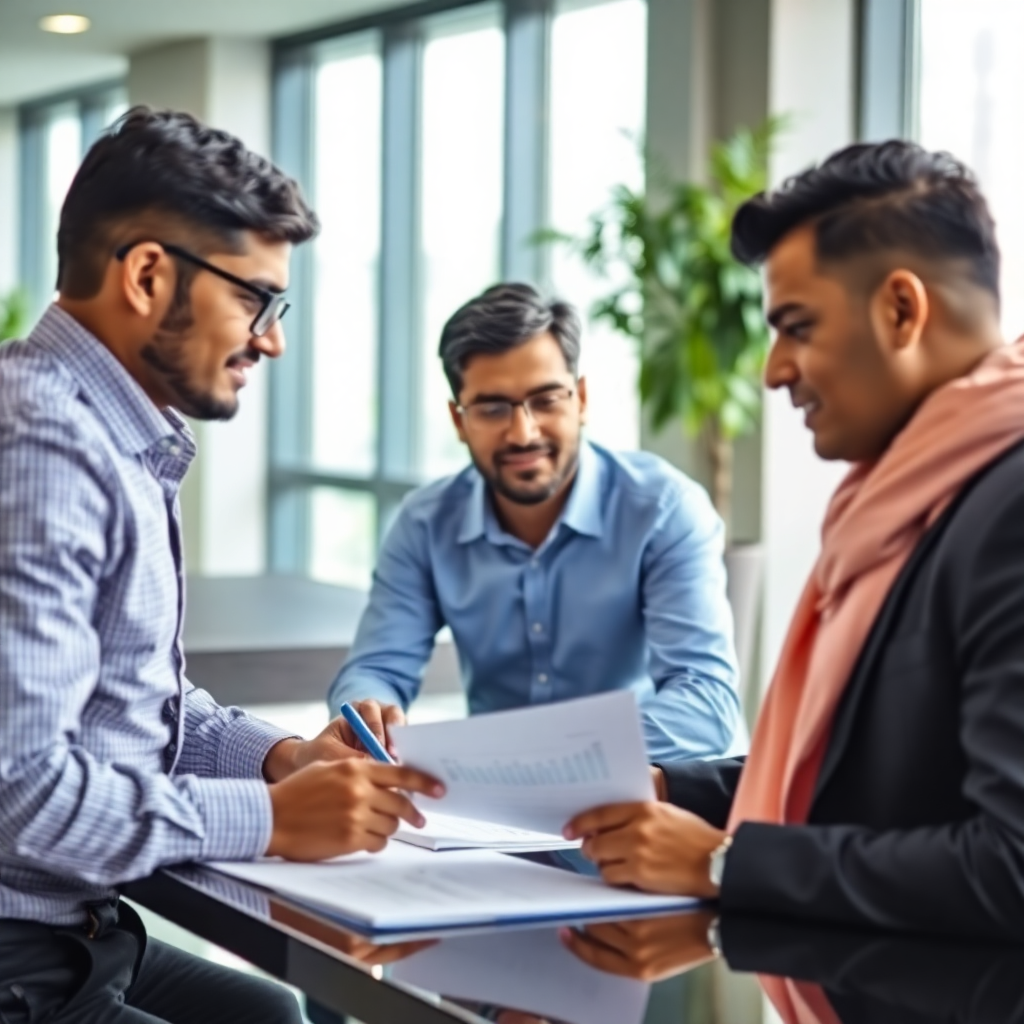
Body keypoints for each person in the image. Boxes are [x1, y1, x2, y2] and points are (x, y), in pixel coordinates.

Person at [0, 107, 442, 1024]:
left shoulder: (112, 435)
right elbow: (21, 793)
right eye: (255, 299)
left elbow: (132, 700)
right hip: (19, 950)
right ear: (149, 275)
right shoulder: (45, 448)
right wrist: (273, 821)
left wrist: (277, 760)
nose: (272, 339)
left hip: (81, 927)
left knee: (277, 1014)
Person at [564, 139, 1024, 941]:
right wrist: (673, 792)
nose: (774, 371)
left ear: (902, 310)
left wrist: (723, 865)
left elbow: (1009, 868)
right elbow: (871, 780)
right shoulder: (910, 502)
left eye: (798, 327)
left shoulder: (1008, 511)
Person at [328, 282, 741, 763]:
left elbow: (706, 707)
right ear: (458, 421)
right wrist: (370, 713)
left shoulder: (664, 509)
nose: (523, 432)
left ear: (581, 399)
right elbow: (377, 668)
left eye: (546, 400)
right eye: (492, 408)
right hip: (492, 810)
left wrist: (537, 757)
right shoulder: (425, 522)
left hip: (645, 796)